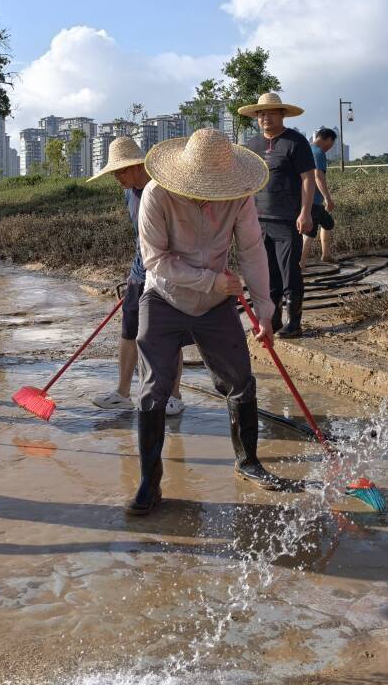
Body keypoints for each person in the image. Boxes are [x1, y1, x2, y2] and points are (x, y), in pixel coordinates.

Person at [128, 127, 281, 516]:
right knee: (153, 389)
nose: (209, 196)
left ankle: (247, 461)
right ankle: (150, 482)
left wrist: (265, 309)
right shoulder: (156, 194)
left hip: (215, 303)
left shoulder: (239, 195)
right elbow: (155, 261)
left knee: (240, 380)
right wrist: (211, 280)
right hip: (164, 297)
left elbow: (252, 250)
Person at [86, 136, 184, 417]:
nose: (117, 177)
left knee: (169, 336)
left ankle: (174, 396)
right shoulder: (129, 193)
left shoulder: (163, 190)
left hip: (165, 274)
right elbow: (139, 238)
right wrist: (134, 273)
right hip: (139, 273)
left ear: (138, 165)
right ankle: (122, 393)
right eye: (114, 172)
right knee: (129, 331)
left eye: (121, 171)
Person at [240, 92, 315, 339]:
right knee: (266, 272)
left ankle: (294, 321)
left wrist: (305, 212)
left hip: (287, 219)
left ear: (282, 114)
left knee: (289, 271)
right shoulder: (252, 145)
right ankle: (273, 319)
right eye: (261, 114)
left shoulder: (295, 142)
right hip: (258, 220)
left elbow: (308, 178)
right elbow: (247, 181)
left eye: (271, 113)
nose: (265, 118)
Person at [301, 127, 337, 267]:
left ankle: (326, 255)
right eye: (332, 144)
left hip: (303, 198)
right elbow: (318, 177)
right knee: (309, 233)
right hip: (313, 200)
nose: (330, 147)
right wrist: (327, 198)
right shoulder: (319, 153)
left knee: (328, 223)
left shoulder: (306, 149)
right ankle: (300, 265)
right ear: (328, 139)